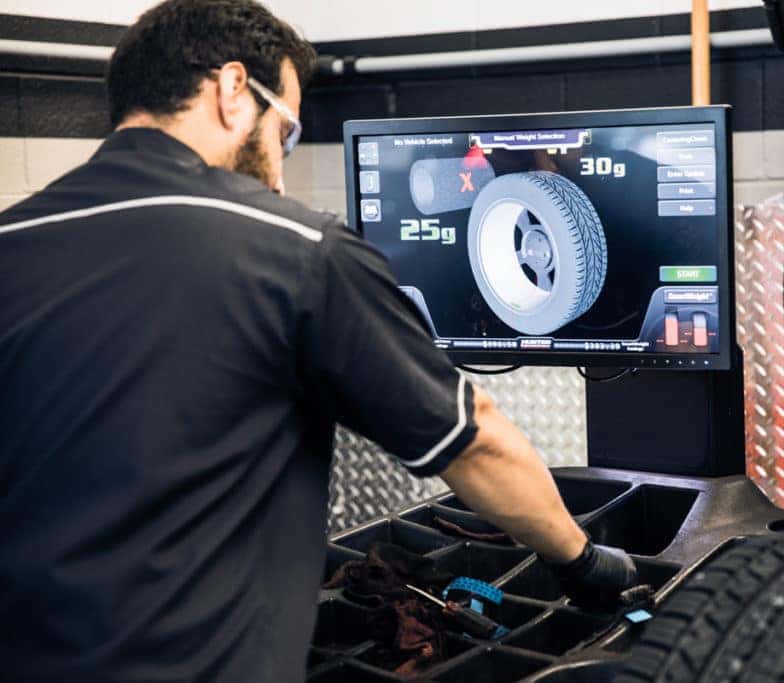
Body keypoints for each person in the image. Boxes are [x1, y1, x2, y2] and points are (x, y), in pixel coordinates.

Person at [0, 1, 637, 680]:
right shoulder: (297, 250)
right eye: (286, 133)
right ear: (233, 90)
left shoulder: (13, 241)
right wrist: (582, 560)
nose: (278, 174)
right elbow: (475, 443)